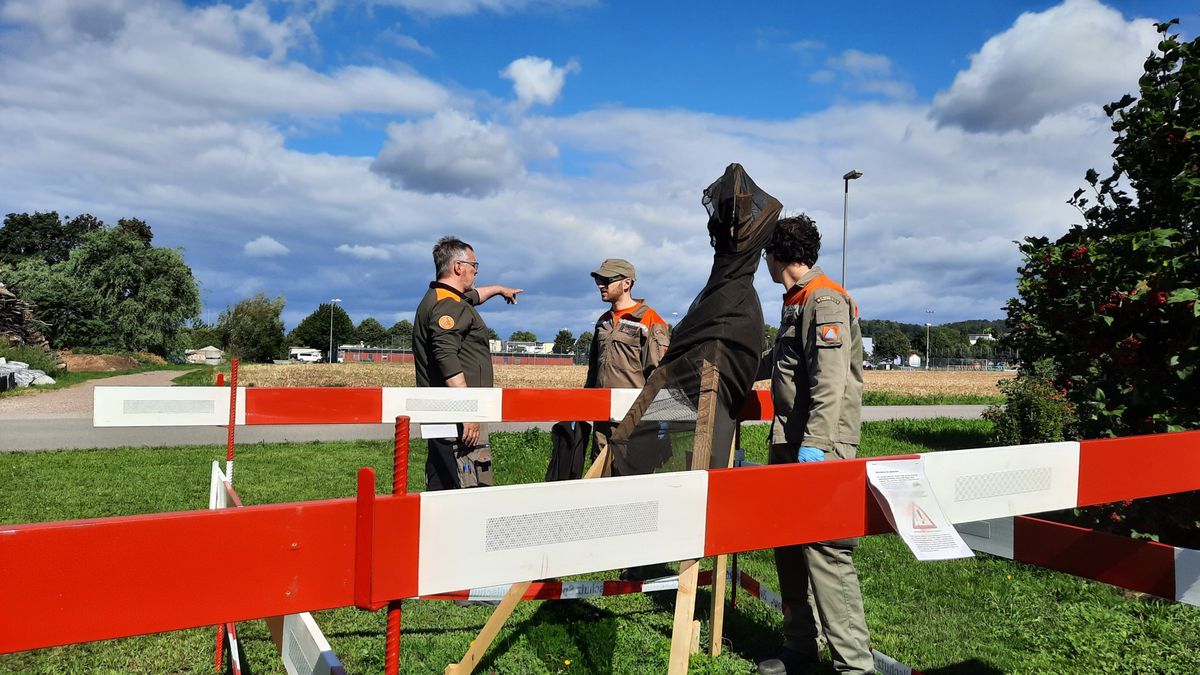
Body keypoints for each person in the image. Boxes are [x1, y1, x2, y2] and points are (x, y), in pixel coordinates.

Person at [757, 215, 873, 674]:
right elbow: (780, 363)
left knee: (826, 552)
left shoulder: (823, 300)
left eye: (765, 254)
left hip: (817, 446)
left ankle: (854, 666)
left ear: (777, 256)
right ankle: (801, 648)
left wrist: (817, 445)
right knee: (788, 545)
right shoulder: (796, 301)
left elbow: (832, 382)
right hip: (790, 441)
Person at [413, 235, 522, 491]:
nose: (476, 272)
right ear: (458, 267)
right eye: (474, 266)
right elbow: (446, 356)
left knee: (442, 477)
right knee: (468, 481)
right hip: (459, 418)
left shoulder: (441, 298)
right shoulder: (449, 305)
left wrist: (499, 289)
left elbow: (474, 296)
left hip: (440, 412)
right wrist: (469, 412)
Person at [584, 258, 670, 462]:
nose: (600, 285)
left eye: (606, 280)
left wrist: (656, 423)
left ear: (626, 283)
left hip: (633, 421)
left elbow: (658, 376)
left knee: (632, 480)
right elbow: (593, 371)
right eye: (598, 280)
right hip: (602, 419)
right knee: (601, 479)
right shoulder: (603, 321)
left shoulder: (649, 320)